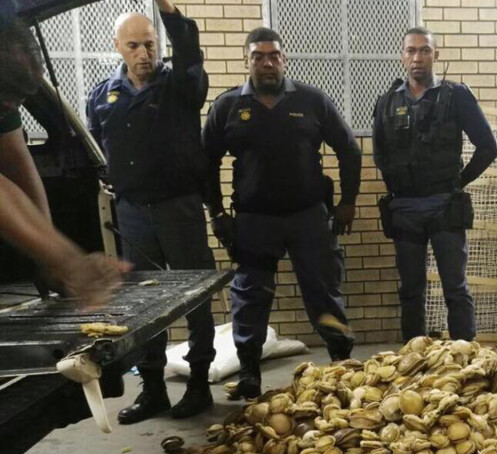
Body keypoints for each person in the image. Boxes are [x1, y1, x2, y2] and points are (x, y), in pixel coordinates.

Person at [203, 27, 361, 400]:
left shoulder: (312, 100)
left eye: (273, 56)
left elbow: (349, 150)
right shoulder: (227, 107)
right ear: (247, 61)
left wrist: (348, 202)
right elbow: (205, 162)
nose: (267, 63)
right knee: (251, 297)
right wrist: (217, 212)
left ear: (283, 60)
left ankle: (340, 362)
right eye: (258, 56)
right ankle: (250, 372)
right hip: (254, 221)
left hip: (309, 217)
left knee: (324, 291)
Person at [85, 0, 217, 423]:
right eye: (134, 46)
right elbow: (95, 144)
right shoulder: (103, 94)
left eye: (149, 44)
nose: (143, 54)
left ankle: (198, 385)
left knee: (195, 297)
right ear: (118, 48)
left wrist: (169, 13)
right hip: (133, 214)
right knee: (144, 305)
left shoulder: (180, 83)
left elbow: (189, 53)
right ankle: (154, 389)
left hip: (178, 207)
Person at [372, 27, 497, 343]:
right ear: (403, 56)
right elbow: (380, 154)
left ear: (435, 55)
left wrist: (458, 181)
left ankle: (465, 358)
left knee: (455, 287)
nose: (417, 58)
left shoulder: (456, 96)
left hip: (444, 205)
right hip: (404, 209)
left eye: (424, 50)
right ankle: (415, 360)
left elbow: (487, 147)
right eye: (411, 51)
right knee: (411, 290)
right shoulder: (386, 102)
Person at [0, 14, 128, 309]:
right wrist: (65, 258)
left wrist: (49, 261)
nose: (8, 109)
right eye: (5, 100)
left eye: (16, 102)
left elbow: (17, 163)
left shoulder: (5, 95)